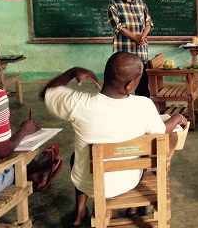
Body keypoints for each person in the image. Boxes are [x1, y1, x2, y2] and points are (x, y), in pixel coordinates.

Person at [40, 51, 187, 228]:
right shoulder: (143, 106)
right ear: (130, 84)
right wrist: (178, 117)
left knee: (78, 157)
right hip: (128, 181)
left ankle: (79, 214)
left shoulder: (78, 103)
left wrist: (73, 71)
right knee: (143, 154)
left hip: (88, 183)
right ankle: (133, 209)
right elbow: (162, 131)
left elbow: (47, 92)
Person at [0, 34, 62, 200]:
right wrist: (23, 130)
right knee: (17, 154)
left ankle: (37, 171)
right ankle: (38, 170)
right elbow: (2, 152)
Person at [107, 0, 153, 97]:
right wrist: (135, 37)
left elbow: (149, 22)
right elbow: (117, 26)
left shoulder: (140, 3)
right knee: (122, 84)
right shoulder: (114, 4)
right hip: (125, 51)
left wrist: (142, 36)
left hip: (140, 50)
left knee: (143, 84)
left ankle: (142, 111)